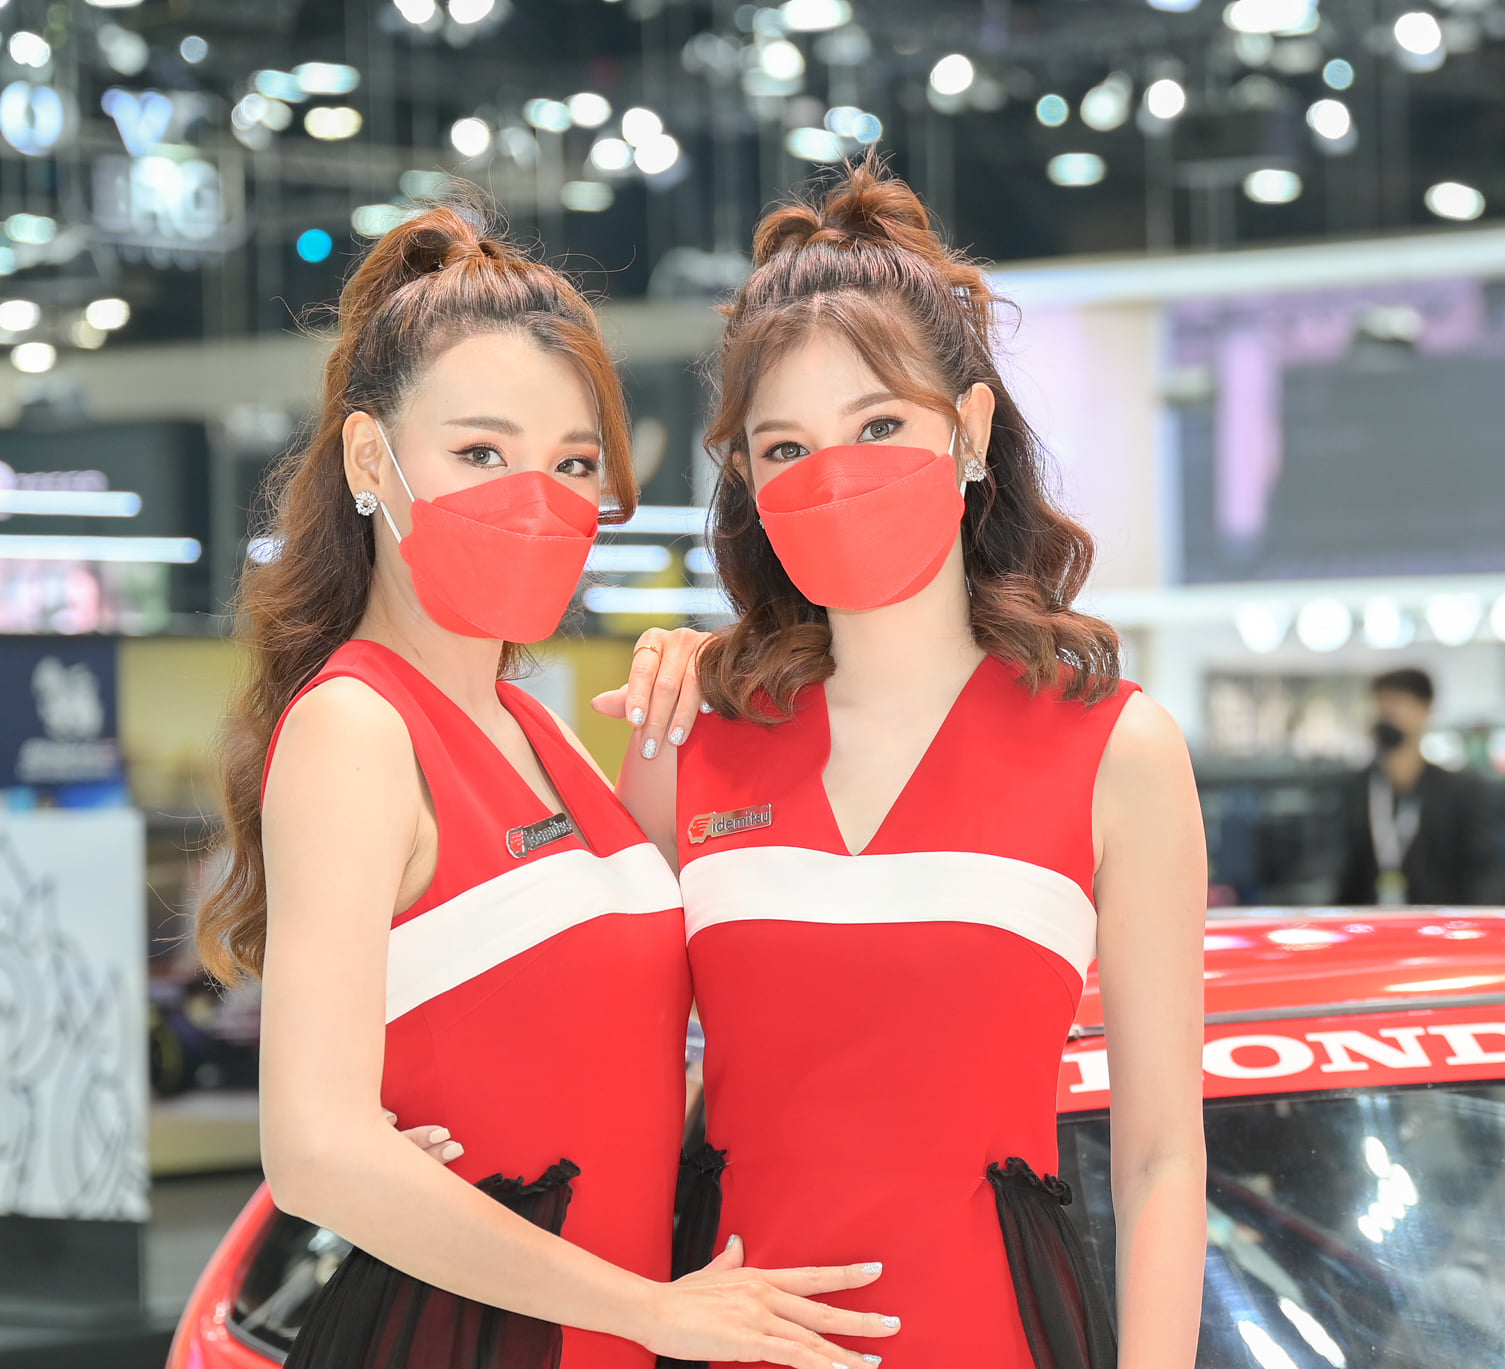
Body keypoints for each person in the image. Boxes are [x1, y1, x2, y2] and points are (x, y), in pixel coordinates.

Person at [195, 198, 896, 1369]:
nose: (535, 496)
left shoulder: (538, 725)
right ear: (371, 460)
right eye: (480, 452)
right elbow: (312, 1150)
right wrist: (652, 1311)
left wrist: (690, 685)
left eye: (571, 463)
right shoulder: (356, 727)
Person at [612, 159, 1209, 1369]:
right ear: (750, 483)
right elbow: (607, 1080)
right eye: (785, 446)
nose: (832, 474)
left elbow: (1158, 1155)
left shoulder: (1114, 747)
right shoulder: (687, 739)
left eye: (878, 425)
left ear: (968, 429)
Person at [1335, 667, 1505, 906]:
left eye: (1397, 704)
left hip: (1440, 920)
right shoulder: (1355, 790)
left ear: (1425, 710)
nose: (1386, 714)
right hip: (1370, 919)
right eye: (1381, 705)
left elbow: (1485, 877)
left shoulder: (1461, 792)